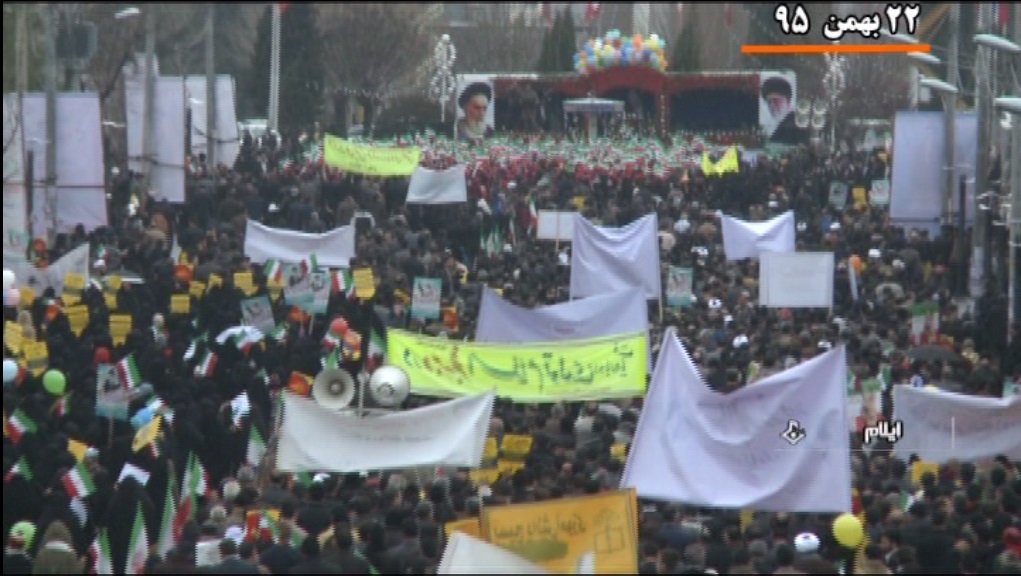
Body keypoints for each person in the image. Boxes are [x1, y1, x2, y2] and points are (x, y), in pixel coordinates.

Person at [760, 75, 801, 145]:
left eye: (776, 100)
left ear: (787, 101)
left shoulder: (794, 125)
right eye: (769, 102)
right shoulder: (771, 127)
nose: (772, 105)